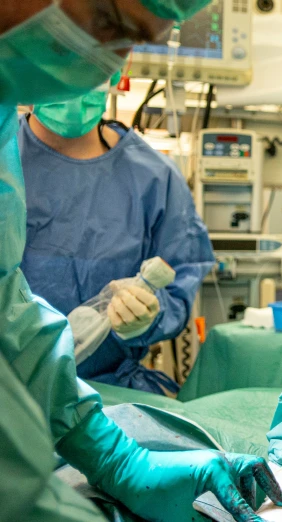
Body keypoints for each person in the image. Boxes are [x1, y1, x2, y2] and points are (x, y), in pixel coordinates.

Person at [0, 1, 282, 521]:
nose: (97, 66)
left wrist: (118, 460)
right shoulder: (14, 152)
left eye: (125, 47)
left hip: (93, 390)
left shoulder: (149, 176)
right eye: (109, 22)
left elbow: (10, 317)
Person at [19, 73, 214, 395]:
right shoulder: (5, 161)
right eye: (58, 60)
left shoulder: (153, 178)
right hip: (10, 393)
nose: (72, 79)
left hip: (111, 393)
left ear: (112, 70)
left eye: (88, 64)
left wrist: (148, 315)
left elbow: (179, 282)